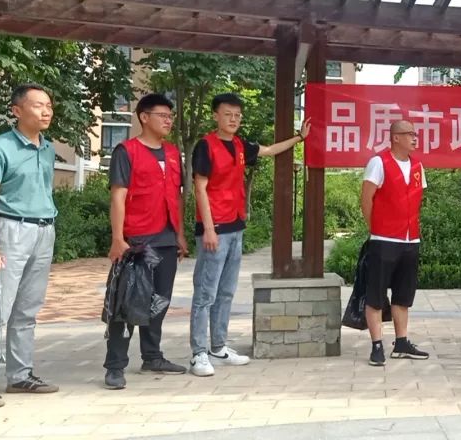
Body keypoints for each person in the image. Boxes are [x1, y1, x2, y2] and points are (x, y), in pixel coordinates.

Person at [189, 93, 311, 377]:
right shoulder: (205, 146)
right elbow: (200, 188)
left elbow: (269, 150)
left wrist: (299, 138)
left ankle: (218, 347)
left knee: (226, 291)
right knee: (205, 293)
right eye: (228, 114)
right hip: (215, 228)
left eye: (237, 115)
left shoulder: (240, 145)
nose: (233, 119)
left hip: (236, 226)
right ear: (216, 116)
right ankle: (198, 353)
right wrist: (209, 228)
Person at [0, 84, 60, 408]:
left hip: (44, 231)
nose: (46, 111)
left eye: (49, 105)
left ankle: (20, 375)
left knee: (27, 310)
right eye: (38, 105)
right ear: (17, 111)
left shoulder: (48, 149)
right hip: (10, 231)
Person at [103, 94, 189, 390]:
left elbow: (177, 196)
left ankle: (152, 356)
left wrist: (179, 234)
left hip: (166, 238)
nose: (168, 120)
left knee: (159, 301)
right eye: (162, 115)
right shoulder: (126, 151)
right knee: (126, 303)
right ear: (143, 117)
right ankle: (115, 366)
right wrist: (118, 238)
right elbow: (118, 196)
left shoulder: (173, 153)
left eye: (170, 116)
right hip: (137, 240)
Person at [360, 120, 431, 367]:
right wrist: (375, 228)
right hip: (384, 239)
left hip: (411, 240)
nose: (414, 138)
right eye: (409, 134)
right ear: (395, 137)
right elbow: (366, 199)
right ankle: (377, 346)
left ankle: (401, 343)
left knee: (403, 295)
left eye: (415, 134)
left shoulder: (417, 166)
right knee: (376, 295)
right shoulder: (379, 162)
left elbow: (417, 200)